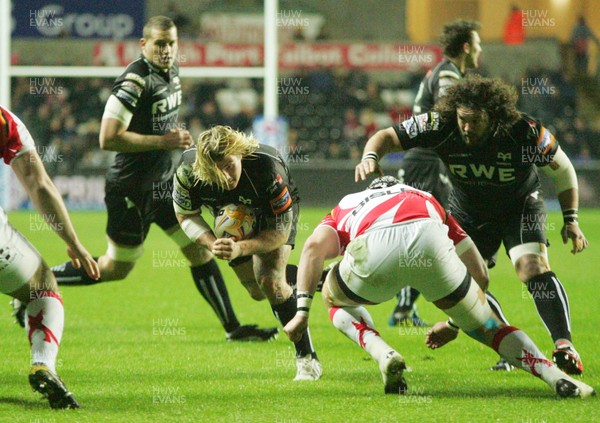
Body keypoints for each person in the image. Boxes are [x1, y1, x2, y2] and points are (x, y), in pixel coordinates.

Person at [45, 16, 277, 342]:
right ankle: (34, 282)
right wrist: (162, 142)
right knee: (116, 269)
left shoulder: (171, 72)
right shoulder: (134, 81)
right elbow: (107, 137)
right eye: (159, 44)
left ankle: (233, 329)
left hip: (163, 185)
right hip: (131, 189)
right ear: (144, 44)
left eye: (171, 43)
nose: (167, 50)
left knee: (200, 251)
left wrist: (172, 140)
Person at [355, 75, 588, 376]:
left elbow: (564, 170)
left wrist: (571, 220)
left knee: (531, 267)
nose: (466, 127)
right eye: (462, 119)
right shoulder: (440, 124)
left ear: (494, 116)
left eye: (474, 120)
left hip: (519, 208)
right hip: (467, 214)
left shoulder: (523, 130)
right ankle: (510, 347)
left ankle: (564, 345)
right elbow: (386, 136)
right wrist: (370, 156)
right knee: (464, 284)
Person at [283, 176, 593, 398]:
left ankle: (383, 353)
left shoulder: (348, 203)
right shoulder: (428, 199)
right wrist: (456, 323)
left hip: (373, 251)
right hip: (430, 241)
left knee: (333, 298)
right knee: (489, 326)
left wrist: (301, 312)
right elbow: (481, 275)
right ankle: (556, 378)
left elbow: (311, 248)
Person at [172, 125, 322, 381]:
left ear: (239, 152)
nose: (226, 176)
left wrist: (240, 248)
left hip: (271, 216)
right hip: (232, 220)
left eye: (229, 165)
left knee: (269, 281)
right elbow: (185, 214)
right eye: (216, 170)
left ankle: (307, 359)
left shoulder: (267, 167)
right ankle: (318, 277)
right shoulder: (188, 169)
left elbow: (281, 232)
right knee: (256, 291)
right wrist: (211, 243)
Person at [0, 105, 100, 408]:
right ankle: (43, 365)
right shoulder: (5, 121)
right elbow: (38, 184)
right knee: (42, 288)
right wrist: (74, 243)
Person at [390, 19, 482, 328]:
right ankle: (403, 307)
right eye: (477, 43)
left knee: (431, 231)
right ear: (467, 47)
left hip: (426, 160)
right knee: (427, 230)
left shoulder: (443, 70)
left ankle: (405, 306)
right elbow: (447, 108)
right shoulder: (447, 72)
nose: (480, 49)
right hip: (425, 161)